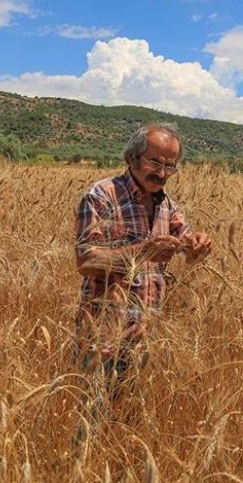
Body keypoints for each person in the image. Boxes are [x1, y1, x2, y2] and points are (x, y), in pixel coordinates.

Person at [73, 122, 212, 394]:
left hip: (146, 341)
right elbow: (86, 260)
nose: (162, 173)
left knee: (130, 418)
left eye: (170, 166)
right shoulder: (102, 196)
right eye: (155, 162)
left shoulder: (167, 205)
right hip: (103, 339)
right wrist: (143, 252)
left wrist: (197, 247)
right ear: (133, 157)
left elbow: (187, 247)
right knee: (93, 415)